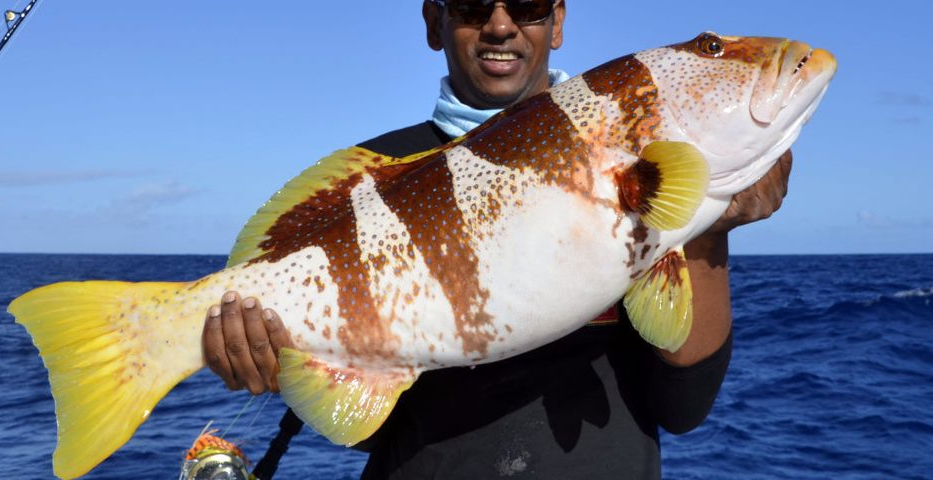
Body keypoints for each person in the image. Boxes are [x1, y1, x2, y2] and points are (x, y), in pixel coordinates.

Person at [201, 1, 793, 478]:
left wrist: (711, 233)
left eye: (528, 5)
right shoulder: (388, 176)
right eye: (472, 5)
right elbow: (372, 431)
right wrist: (282, 358)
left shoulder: (637, 167)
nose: (501, 25)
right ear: (434, 22)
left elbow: (683, 407)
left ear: (557, 22)